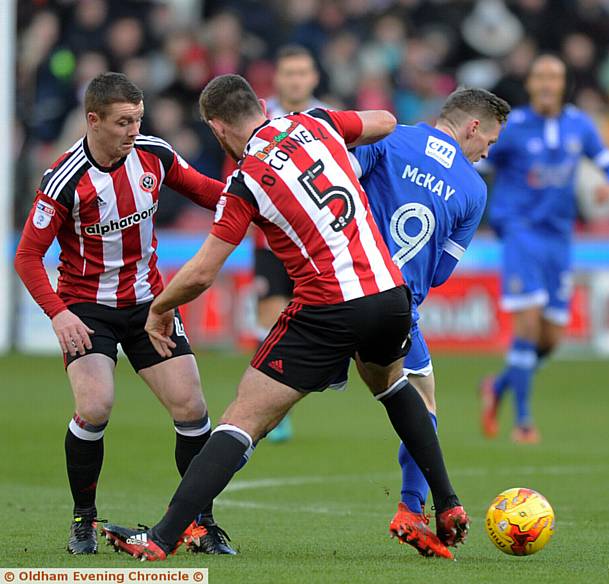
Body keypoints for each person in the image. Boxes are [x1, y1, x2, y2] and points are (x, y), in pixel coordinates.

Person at [101, 73, 469, 561]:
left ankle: (162, 538)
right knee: (392, 385)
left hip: (329, 306)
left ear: (217, 128)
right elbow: (384, 120)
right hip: (389, 294)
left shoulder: (246, 179)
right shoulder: (313, 122)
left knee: (243, 417)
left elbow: (204, 271)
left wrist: (160, 308)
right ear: (259, 104)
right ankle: (447, 503)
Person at [14, 72, 236, 555]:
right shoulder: (63, 180)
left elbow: (208, 192)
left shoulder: (153, 155)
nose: (134, 129)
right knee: (95, 407)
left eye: (138, 118)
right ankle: (83, 522)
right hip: (86, 308)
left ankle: (201, 523)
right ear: (93, 120)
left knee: (192, 408)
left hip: (149, 305)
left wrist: (261, 199)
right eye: (123, 122)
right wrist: (58, 313)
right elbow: (27, 256)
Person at [347, 88, 510, 556]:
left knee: (262, 407)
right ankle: (411, 507)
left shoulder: (390, 138)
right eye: (490, 143)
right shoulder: (475, 190)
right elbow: (439, 272)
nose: (486, 154)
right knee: (423, 405)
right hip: (396, 306)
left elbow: (334, 194)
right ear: (473, 127)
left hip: (338, 287)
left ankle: (193, 518)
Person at [480, 55, 609, 443]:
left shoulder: (579, 125)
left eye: (554, 77)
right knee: (526, 326)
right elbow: (478, 158)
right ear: (529, 84)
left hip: (559, 239)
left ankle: (496, 388)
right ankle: (523, 422)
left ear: (563, 84)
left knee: (551, 339)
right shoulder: (514, 129)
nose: (547, 83)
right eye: (540, 77)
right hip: (520, 233)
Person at [258, 45, 330, 443]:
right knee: (272, 320)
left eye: (303, 72)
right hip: (270, 238)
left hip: (316, 241)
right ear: (278, 78)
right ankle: (277, 410)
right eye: (289, 73)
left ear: (313, 77)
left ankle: (290, 394)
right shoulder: (259, 117)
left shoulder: (327, 119)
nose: (296, 80)